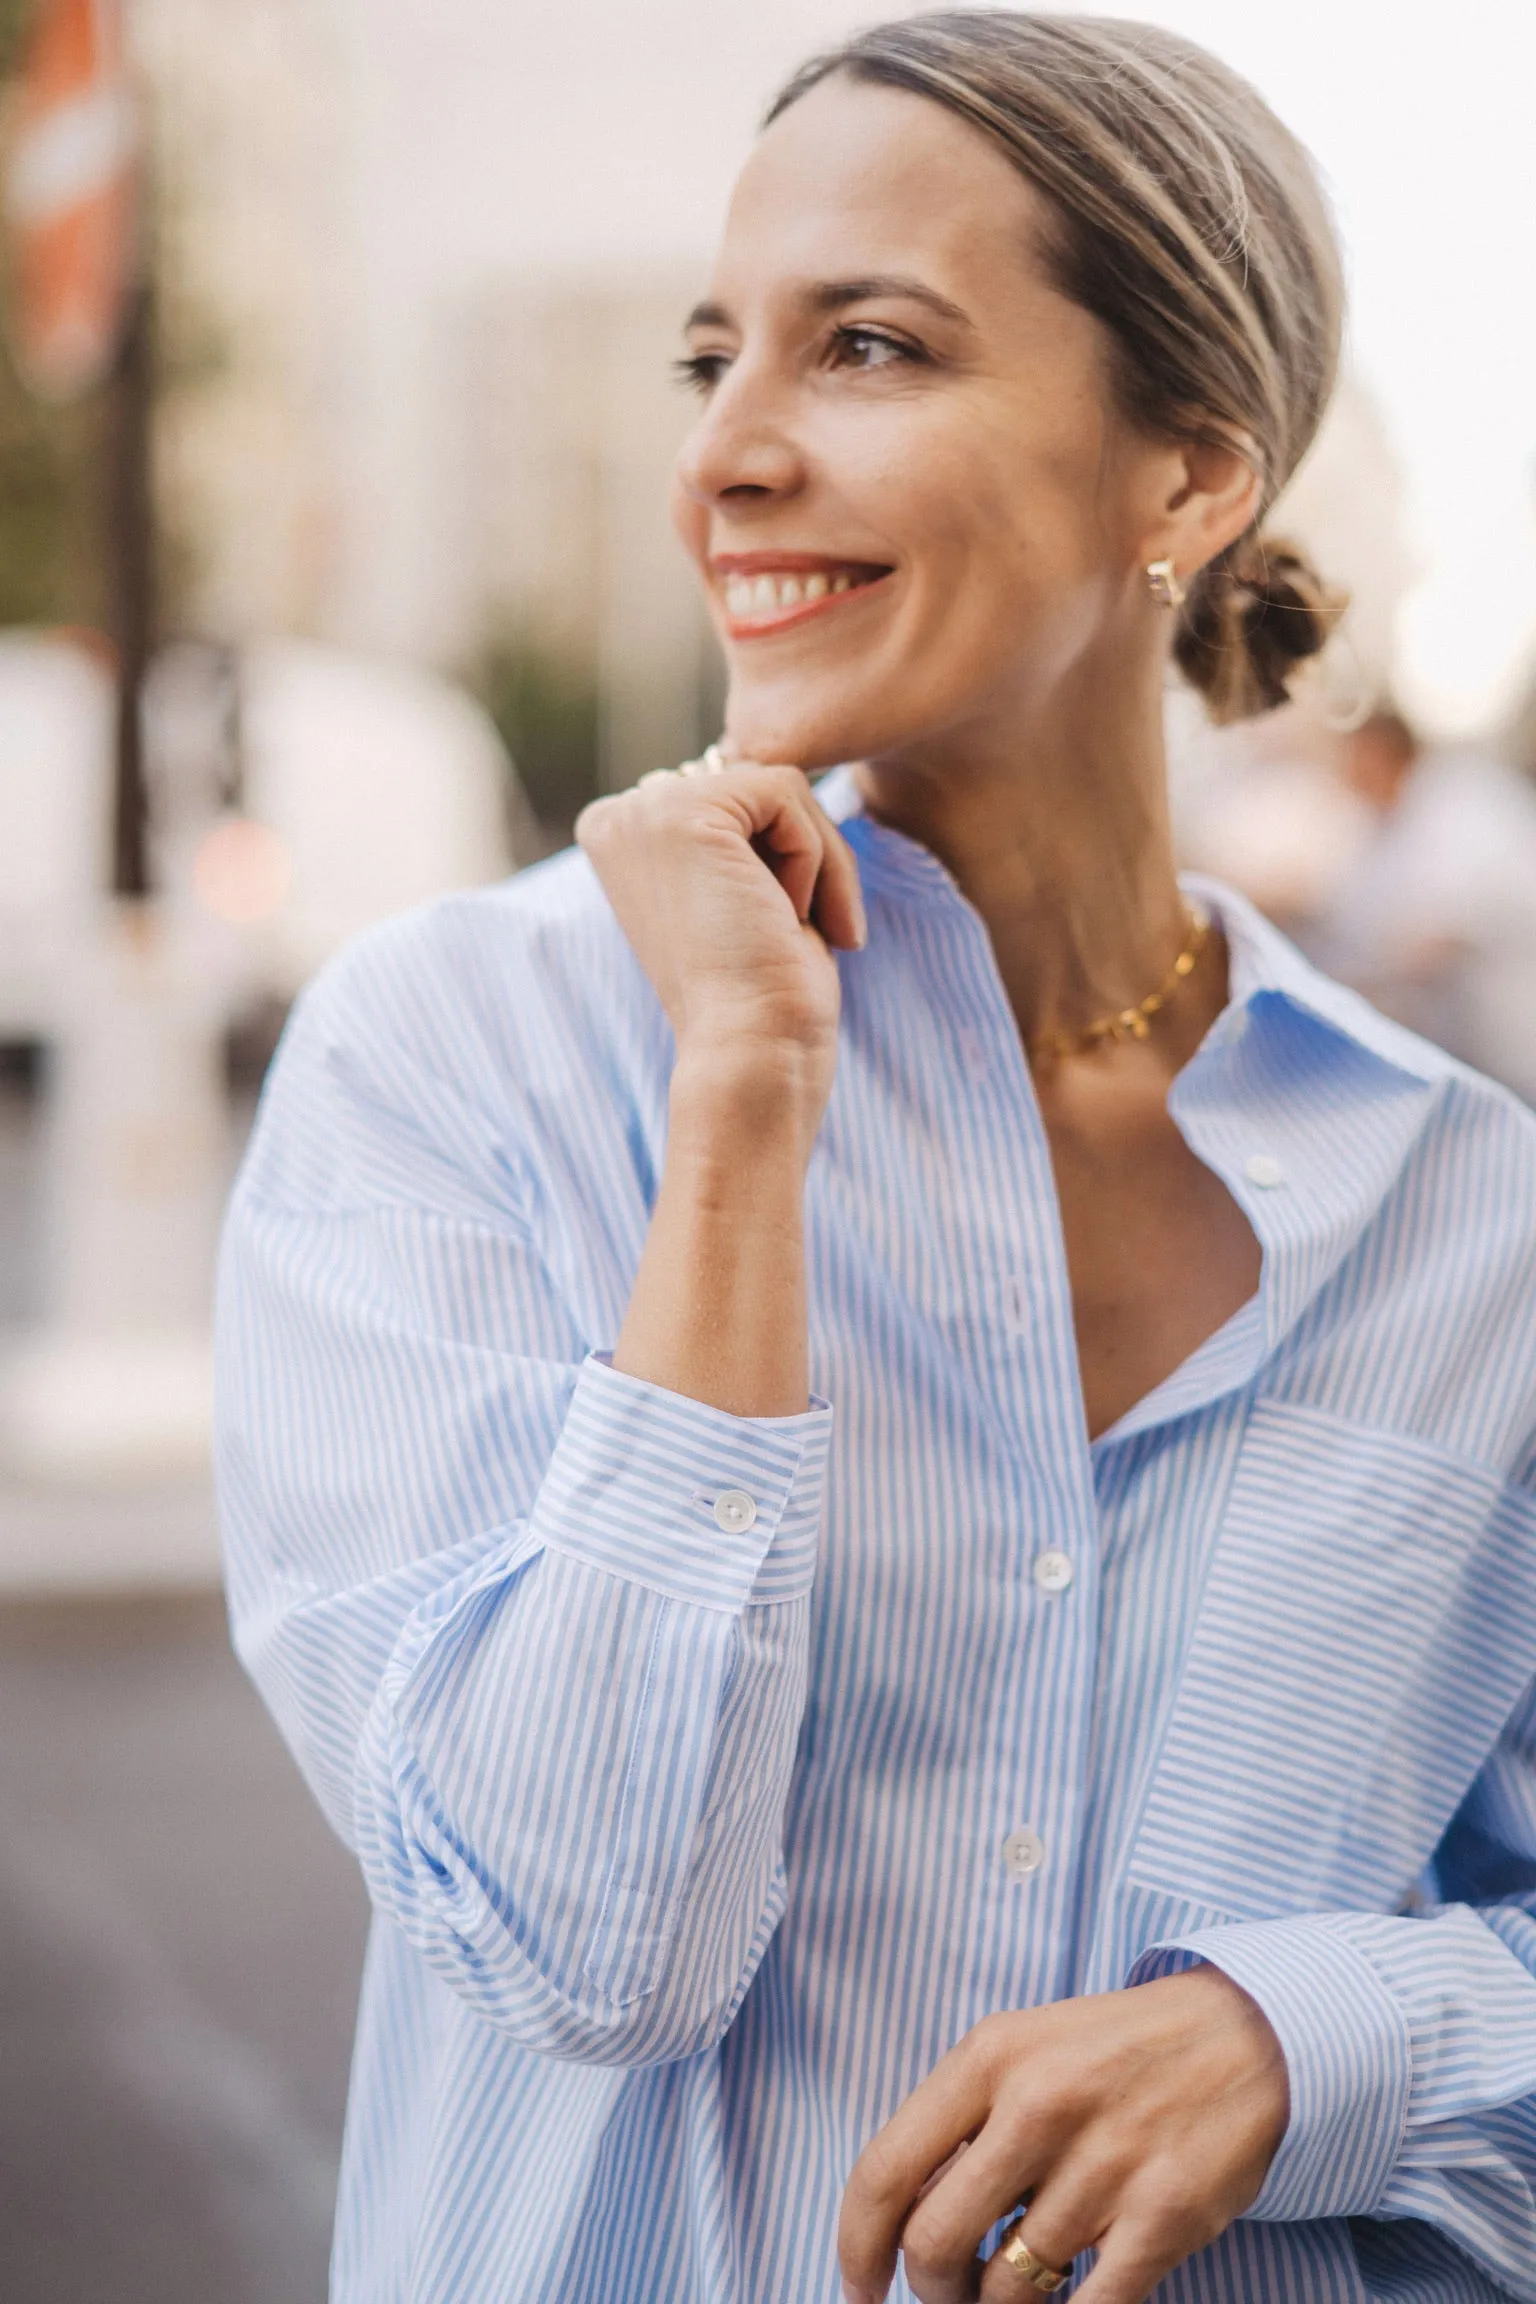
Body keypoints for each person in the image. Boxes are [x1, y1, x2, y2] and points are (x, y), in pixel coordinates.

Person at [215, 16, 1536, 2303]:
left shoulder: (1465, 1212)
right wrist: (738, 1121)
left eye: (870, 346)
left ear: (1188, 480)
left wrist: (1307, 2037)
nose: (725, 453)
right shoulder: (457, 1059)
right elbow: (568, 1950)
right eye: (711, 356)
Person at [1316, 707, 1536, 1102]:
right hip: (1472, 1051)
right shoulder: (1386, 824)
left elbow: (1441, 940)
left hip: (1514, 1041)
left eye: (1356, 762)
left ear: (1383, 753)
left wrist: (1353, 985)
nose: (1348, 779)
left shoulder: (1461, 806)